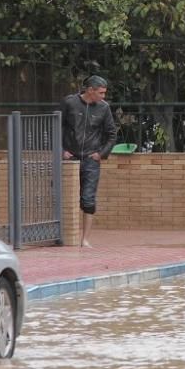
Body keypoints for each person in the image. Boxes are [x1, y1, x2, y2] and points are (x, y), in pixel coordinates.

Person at [60, 75, 117, 247]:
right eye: (101, 92)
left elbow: (111, 134)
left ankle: (85, 239)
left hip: (91, 159)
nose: (103, 96)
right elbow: (55, 126)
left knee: (88, 199)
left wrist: (101, 154)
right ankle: (63, 236)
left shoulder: (104, 108)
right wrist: (62, 150)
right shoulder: (70, 103)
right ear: (90, 90)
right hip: (71, 158)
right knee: (65, 197)